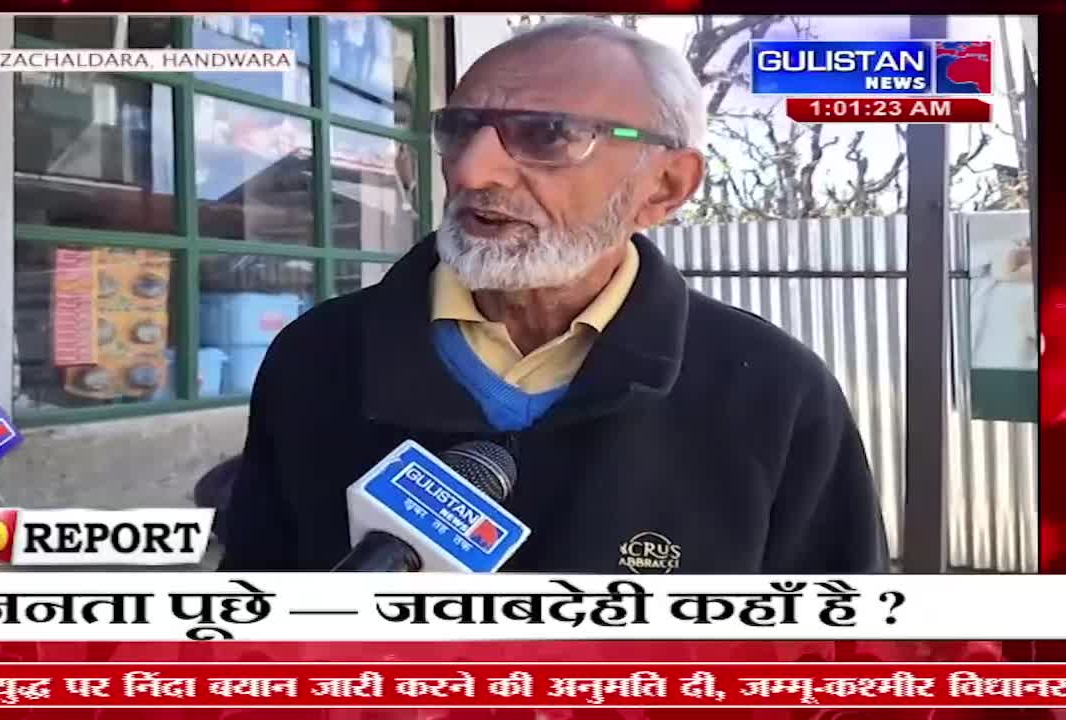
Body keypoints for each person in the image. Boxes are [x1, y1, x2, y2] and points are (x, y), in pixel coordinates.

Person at [218, 18, 888, 574]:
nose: (472, 170)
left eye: (547, 135)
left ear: (664, 188)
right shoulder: (318, 357)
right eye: (459, 130)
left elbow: (837, 670)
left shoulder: (774, 392)